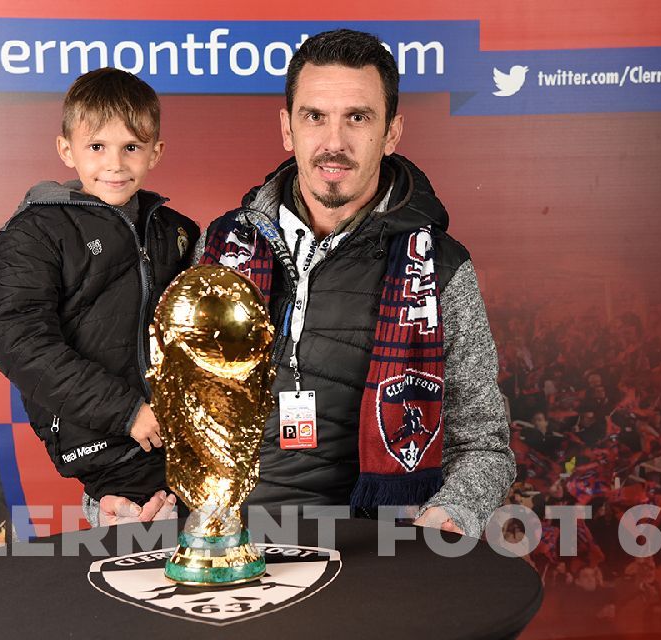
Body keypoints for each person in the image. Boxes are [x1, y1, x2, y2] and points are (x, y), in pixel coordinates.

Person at [200, 29, 514, 537]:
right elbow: (167, 403)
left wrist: (447, 518)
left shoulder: (441, 267)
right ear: (287, 128)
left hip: (370, 553)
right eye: (314, 117)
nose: (334, 143)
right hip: (225, 541)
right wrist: (123, 493)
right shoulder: (218, 247)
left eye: (358, 118)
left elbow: (482, 446)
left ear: (391, 133)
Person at [0, 68, 199, 526]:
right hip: (113, 454)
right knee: (138, 576)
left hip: (189, 448)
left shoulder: (176, 231)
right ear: (66, 149)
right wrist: (127, 412)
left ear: (155, 152)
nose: (114, 164)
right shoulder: (35, 234)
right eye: (97, 147)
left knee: (215, 579)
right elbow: (15, 337)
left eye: (131, 148)